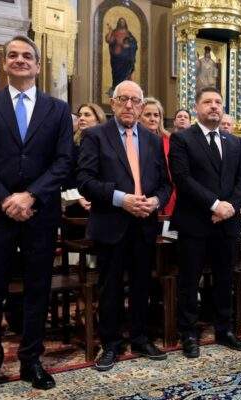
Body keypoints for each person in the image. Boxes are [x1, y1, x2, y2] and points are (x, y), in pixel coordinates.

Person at [0, 35, 73, 399]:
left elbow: (64, 162)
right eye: (13, 55)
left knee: (38, 289)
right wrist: (5, 198)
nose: (20, 60)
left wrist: (31, 195)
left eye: (27, 56)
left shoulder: (57, 109)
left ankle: (31, 360)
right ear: (4, 63)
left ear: (38, 65)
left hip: (40, 214)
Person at [77, 81, 171, 371]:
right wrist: (122, 199)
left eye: (135, 100)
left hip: (144, 224)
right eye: (123, 99)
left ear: (141, 106)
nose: (129, 105)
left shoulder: (153, 140)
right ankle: (111, 344)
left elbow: (165, 184)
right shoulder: (95, 136)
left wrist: (155, 201)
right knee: (111, 288)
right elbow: (85, 181)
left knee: (143, 285)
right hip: (111, 223)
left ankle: (141, 338)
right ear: (113, 103)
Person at [170, 87, 241, 356]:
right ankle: (189, 334)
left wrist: (231, 207)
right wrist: (215, 205)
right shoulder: (182, 139)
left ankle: (224, 330)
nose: (214, 106)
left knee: (225, 279)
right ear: (196, 107)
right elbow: (182, 178)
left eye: (218, 102)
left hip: (227, 224)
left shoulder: (235, 142)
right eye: (207, 102)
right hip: (195, 223)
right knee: (189, 281)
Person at [63, 103, 106, 216]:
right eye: (80, 115)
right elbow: (66, 174)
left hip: (103, 202)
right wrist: (79, 197)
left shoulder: (108, 144)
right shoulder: (70, 144)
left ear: (98, 120)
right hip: (75, 204)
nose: (81, 118)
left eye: (87, 115)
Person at [140, 98, 176, 216]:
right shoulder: (132, 140)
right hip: (141, 199)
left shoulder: (170, 140)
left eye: (156, 115)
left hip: (169, 197)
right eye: (148, 115)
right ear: (139, 117)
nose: (152, 119)